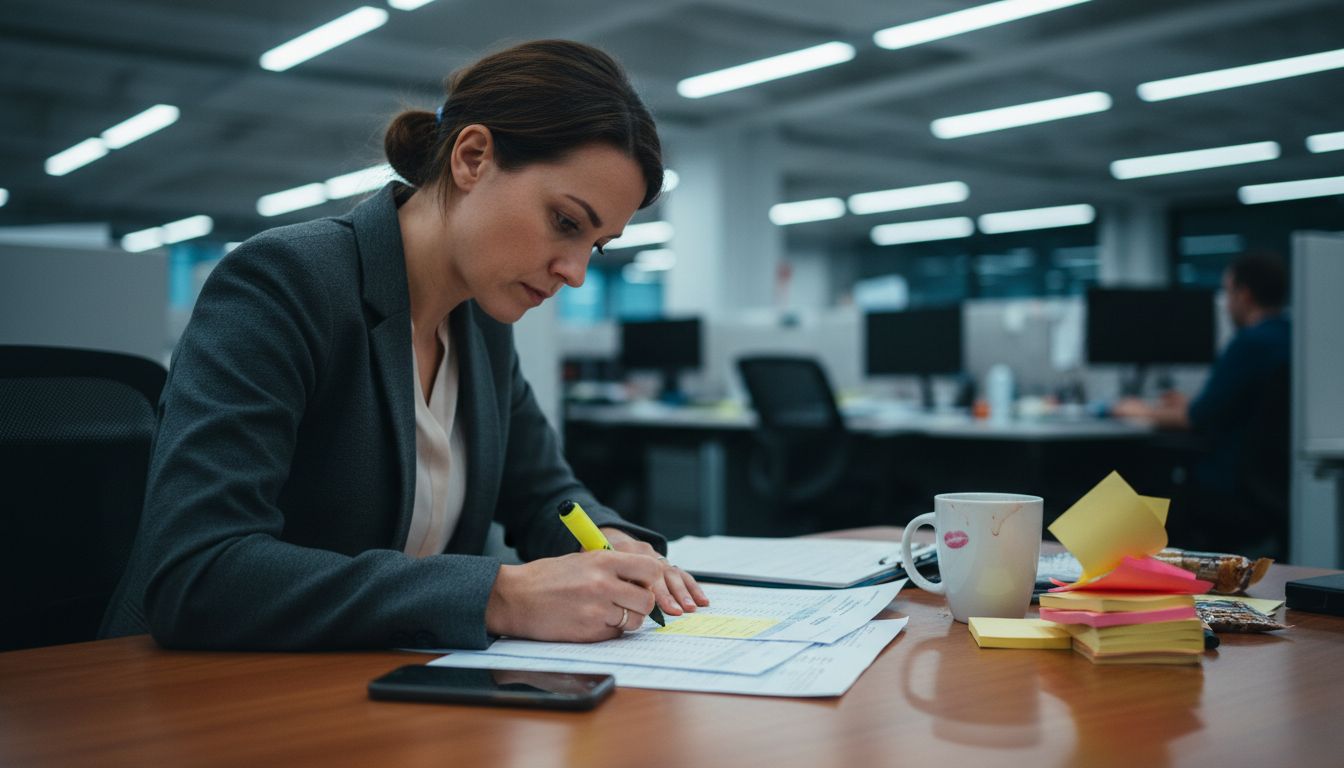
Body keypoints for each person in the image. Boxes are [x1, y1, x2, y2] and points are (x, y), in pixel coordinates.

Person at [101, 40, 708, 650]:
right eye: (566, 223)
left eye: (596, 245)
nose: (576, 272)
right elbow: (198, 570)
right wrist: (498, 595)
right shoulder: (286, 281)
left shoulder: (482, 321)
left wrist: (611, 541)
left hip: (393, 691)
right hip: (219, 696)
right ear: (472, 158)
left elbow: (544, 492)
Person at [1111, 253, 1291, 553]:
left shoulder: (1250, 343)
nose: (1225, 302)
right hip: (1274, 482)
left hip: (1232, 484)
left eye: (1228, 292)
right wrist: (1189, 403)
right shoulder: (1289, 336)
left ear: (1244, 294)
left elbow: (1196, 418)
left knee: (1140, 482)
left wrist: (1139, 410)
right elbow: (1232, 404)